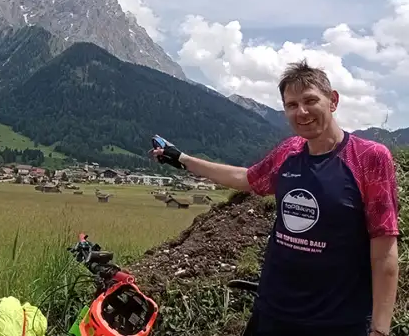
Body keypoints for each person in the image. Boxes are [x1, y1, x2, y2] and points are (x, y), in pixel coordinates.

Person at [150, 59, 400, 336]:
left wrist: (380, 329)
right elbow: (246, 179)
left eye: (310, 100)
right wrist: (182, 159)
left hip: (337, 320)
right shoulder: (290, 151)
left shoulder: (369, 158)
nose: (301, 112)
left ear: (333, 100)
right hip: (273, 311)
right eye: (291, 105)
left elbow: (384, 248)